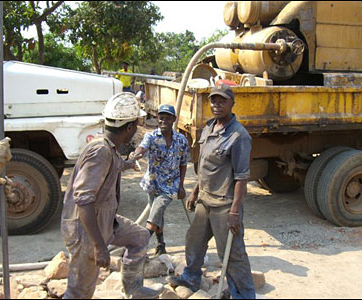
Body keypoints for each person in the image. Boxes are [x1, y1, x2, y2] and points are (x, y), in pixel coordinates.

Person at [61, 92, 163, 299]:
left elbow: (110, 168)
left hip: (104, 220)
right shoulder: (101, 151)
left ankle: (133, 289)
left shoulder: (108, 147)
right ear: (129, 127)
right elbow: (83, 201)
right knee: (79, 292)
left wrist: (127, 164)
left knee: (140, 237)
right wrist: (100, 246)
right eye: (135, 125)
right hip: (85, 230)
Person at [166, 84, 256, 298]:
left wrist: (235, 212)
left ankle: (243, 294)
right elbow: (206, 165)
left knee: (233, 254)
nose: (216, 104)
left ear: (232, 104)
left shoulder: (238, 136)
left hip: (224, 206)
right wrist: (196, 191)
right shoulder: (208, 128)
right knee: (193, 240)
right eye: (213, 100)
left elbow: (242, 177)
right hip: (205, 201)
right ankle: (190, 277)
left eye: (222, 100)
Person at [130, 104, 190, 255]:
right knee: (158, 215)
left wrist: (181, 186)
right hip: (153, 183)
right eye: (161, 118)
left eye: (167, 118)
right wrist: (135, 154)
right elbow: (142, 148)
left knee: (157, 210)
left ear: (174, 120)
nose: (164, 121)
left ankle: (141, 245)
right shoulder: (151, 136)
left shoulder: (181, 140)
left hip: (170, 185)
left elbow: (183, 164)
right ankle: (161, 245)